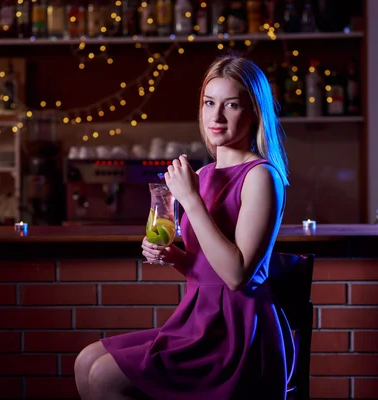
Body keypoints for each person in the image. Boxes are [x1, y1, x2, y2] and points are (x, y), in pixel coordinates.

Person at [74, 53, 294, 400]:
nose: (216, 116)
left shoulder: (261, 177)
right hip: (197, 320)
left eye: (231, 105)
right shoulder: (204, 175)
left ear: (254, 112)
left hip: (235, 334)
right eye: (209, 103)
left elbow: (237, 276)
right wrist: (174, 256)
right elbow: (207, 270)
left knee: (104, 377)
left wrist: (191, 200)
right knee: (86, 360)